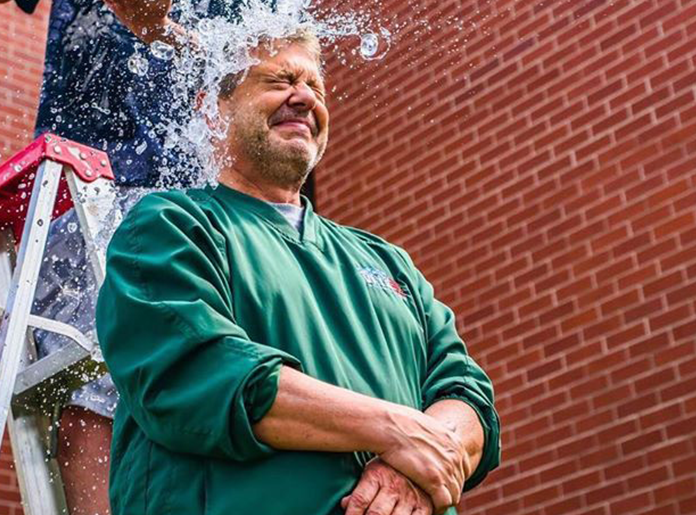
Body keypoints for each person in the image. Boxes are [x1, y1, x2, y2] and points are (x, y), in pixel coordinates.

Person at [0, 0, 296, 514]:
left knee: (196, 378)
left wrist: (165, 32)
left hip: (193, 192)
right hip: (82, 182)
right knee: (88, 373)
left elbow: (267, 68)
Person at [96, 31, 500, 515]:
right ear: (212, 110)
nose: (306, 97)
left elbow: (466, 395)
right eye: (280, 80)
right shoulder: (172, 225)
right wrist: (395, 429)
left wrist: (410, 466)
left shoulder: (389, 261)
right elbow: (199, 372)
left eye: (316, 88)